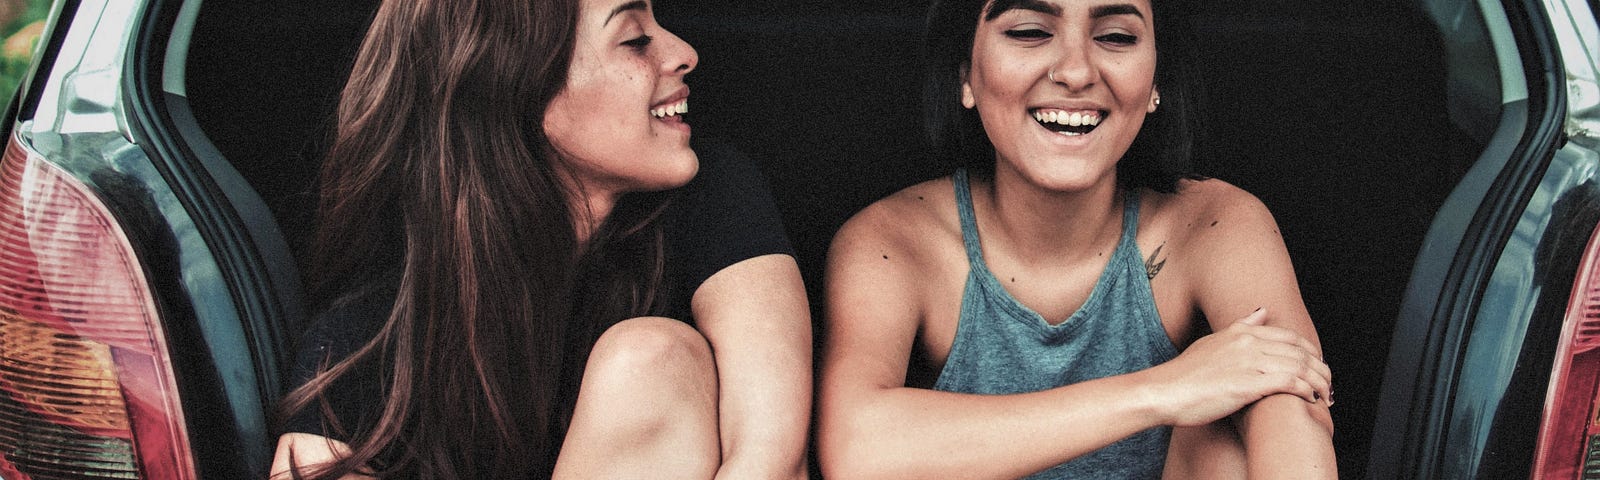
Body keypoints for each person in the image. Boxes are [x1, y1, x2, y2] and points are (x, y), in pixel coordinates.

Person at [266, 0, 811, 478]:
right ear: (522, 88)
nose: (684, 52)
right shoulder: (374, 330)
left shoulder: (711, 196)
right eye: (634, 38)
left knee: (652, 362)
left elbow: (771, 460)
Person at [817, 0, 1335, 478]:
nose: (1075, 72)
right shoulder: (893, 242)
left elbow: (1295, 401)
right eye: (1028, 31)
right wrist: (1167, 389)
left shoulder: (1214, 224)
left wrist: (1215, 393)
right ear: (964, 74)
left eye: (1115, 37)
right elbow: (857, 449)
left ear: (1157, 80)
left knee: (1238, 413)